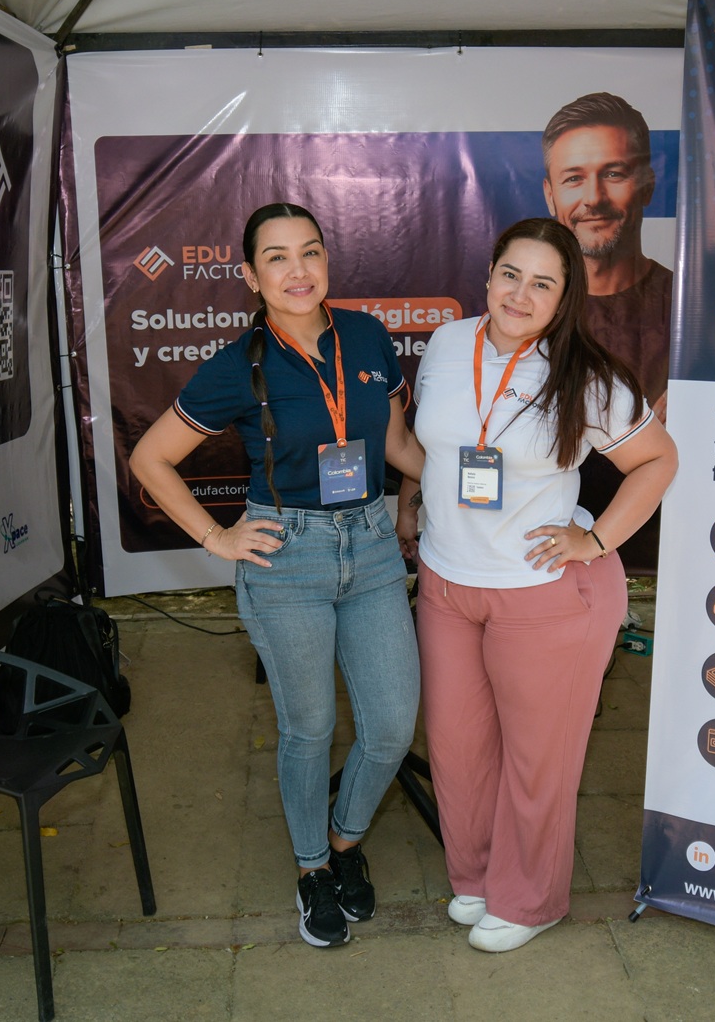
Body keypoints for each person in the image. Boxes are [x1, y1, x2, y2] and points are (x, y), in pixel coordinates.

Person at [129, 203, 425, 950]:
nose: (299, 271)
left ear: (328, 260)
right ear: (250, 276)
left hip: (372, 547)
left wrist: (467, 486)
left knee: (392, 725)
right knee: (309, 728)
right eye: (278, 257)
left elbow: (396, 445)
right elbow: (149, 459)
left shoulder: (366, 336)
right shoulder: (238, 365)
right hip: (286, 557)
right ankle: (312, 867)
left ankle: (346, 841)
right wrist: (216, 537)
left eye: (311, 252)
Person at [396, 218, 678, 952]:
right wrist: (411, 504)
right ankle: (476, 875)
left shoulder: (586, 374)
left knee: (536, 759)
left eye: (542, 284)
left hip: (543, 593)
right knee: (457, 747)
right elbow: (436, 446)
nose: (520, 295)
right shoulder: (448, 344)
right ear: (488, 275)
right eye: (510, 274)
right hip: (447, 584)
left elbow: (658, 461)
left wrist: (596, 538)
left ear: (564, 298)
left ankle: (531, 898)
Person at [543, 91, 675, 570]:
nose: (593, 198)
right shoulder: (527, 315)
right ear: (550, 194)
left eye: (614, 174)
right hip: (544, 553)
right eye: (573, 178)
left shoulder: (696, 314)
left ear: (647, 184)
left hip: (667, 557)